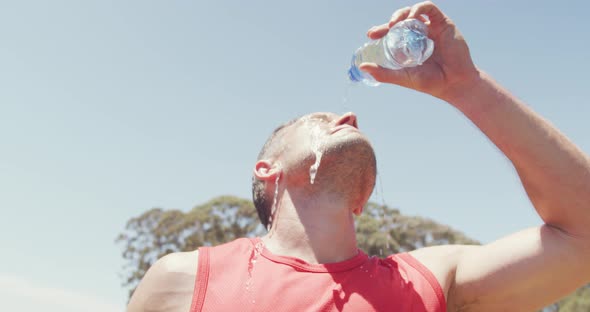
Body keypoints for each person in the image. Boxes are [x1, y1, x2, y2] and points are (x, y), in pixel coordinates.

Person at [127, 2, 590, 311]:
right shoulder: (182, 281)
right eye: (314, 120)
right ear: (268, 171)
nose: (348, 115)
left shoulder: (428, 280)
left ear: (362, 197)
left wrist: (467, 87)